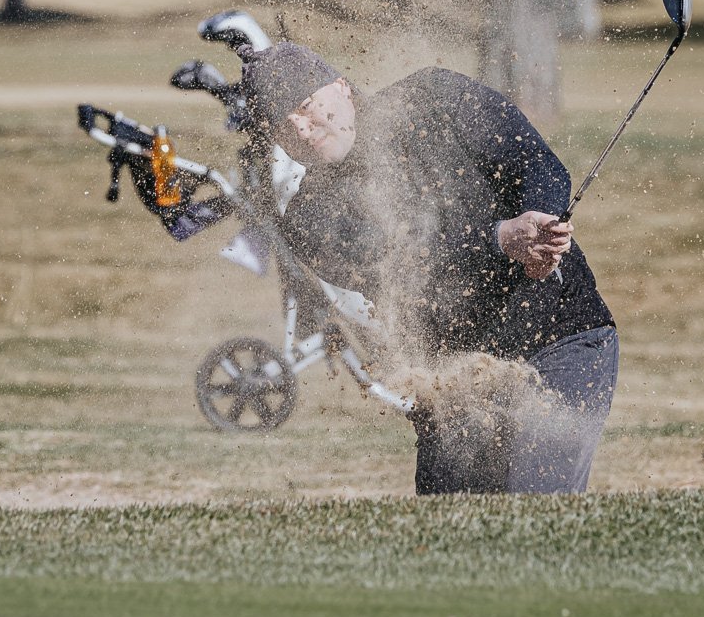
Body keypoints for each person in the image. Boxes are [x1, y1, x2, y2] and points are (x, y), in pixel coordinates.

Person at [237, 41, 618, 494]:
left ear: (341, 87)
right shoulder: (309, 219)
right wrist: (501, 239)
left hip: (562, 340)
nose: (300, 127)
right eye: (281, 126)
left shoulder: (436, 96)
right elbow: (409, 262)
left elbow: (533, 161)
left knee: (532, 507)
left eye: (305, 105)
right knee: (449, 541)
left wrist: (543, 222)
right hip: (455, 376)